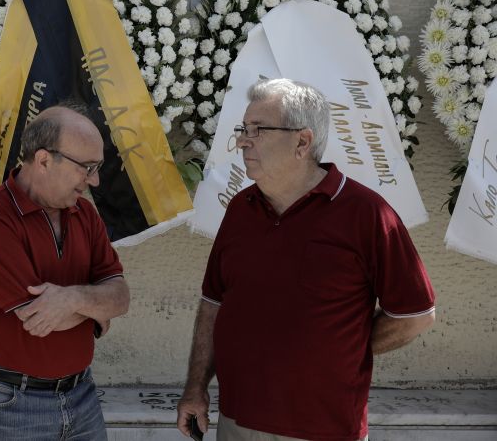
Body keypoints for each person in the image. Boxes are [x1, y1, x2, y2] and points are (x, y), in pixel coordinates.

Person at [176, 78, 435, 441]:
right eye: (243, 129)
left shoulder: (367, 214)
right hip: (236, 422)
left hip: (324, 428)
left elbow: (415, 315)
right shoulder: (240, 209)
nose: (243, 141)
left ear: (302, 141)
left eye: (258, 130)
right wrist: (195, 388)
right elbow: (214, 303)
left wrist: (344, 348)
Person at [0, 104, 130, 440]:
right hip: (11, 404)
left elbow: (121, 297)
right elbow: (38, 319)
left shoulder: (85, 214)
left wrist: (73, 298)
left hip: (82, 394)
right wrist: (96, 312)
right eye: (87, 167)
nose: (94, 180)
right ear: (43, 160)